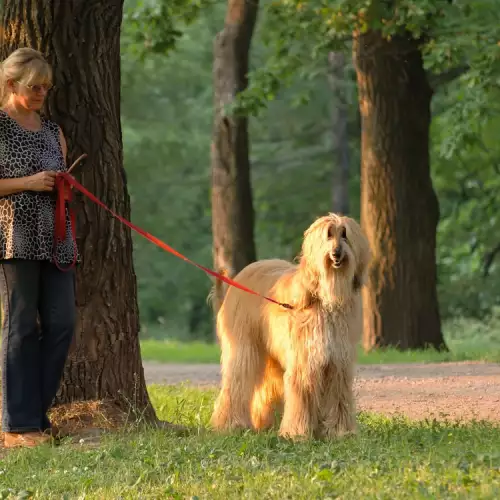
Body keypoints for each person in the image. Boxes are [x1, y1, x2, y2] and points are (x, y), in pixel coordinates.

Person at [0, 47, 78, 448]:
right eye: (35, 87)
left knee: (63, 323)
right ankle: (17, 424)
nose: (42, 93)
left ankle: (36, 416)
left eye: (46, 87)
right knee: (21, 327)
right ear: (11, 84)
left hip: (56, 238)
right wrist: (28, 183)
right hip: (15, 237)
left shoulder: (53, 132)